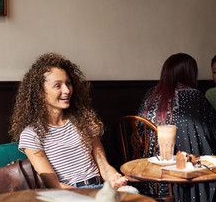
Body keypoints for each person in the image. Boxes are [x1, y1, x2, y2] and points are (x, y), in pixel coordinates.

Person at [9, 52, 128, 190]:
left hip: (101, 188)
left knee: (135, 196)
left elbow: (104, 166)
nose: (67, 90)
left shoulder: (84, 121)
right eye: (58, 86)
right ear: (40, 93)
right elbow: (54, 186)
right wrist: (92, 195)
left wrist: (116, 179)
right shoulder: (31, 134)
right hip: (69, 196)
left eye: (68, 83)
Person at [138, 53, 216, 202]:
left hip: (144, 171)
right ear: (190, 73)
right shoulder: (193, 95)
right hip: (174, 178)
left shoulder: (150, 93)